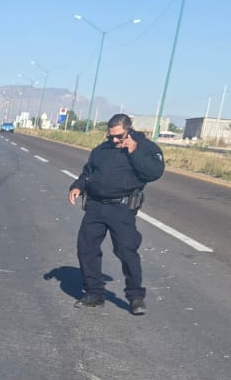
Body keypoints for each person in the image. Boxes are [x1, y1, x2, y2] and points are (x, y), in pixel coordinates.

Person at [68, 114, 165, 314]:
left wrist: (134, 152)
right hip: (95, 206)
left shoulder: (146, 148)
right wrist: (78, 186)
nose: (114, 140)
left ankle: (135, 297)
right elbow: (88, 173)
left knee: (126, 251)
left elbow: (154, 173)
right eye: (111, 136)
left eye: (119, 136)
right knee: (86, 249)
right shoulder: (102, 150)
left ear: (129, 129)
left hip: (121, 209)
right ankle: (94, 294)